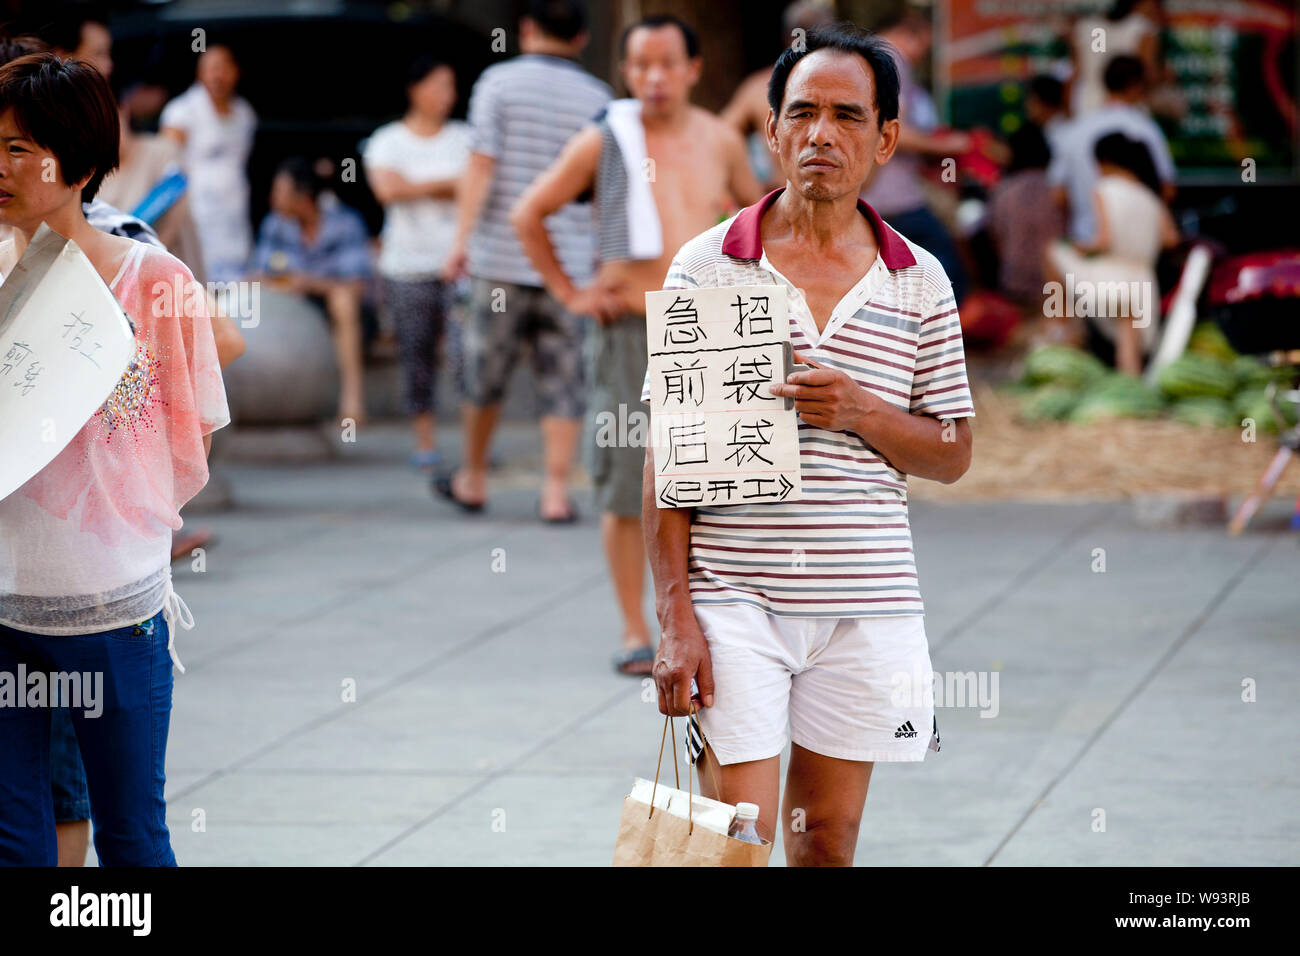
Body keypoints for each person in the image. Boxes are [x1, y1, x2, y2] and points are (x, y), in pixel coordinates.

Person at [643, 22, 974, 866]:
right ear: (772, 128)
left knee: (826, 838)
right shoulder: (712, 264)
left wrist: (861, 410)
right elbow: (669, 456)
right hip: (734, 599)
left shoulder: (919, 279)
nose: (821, 135)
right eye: (803, 113)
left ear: (887, 138)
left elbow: (951, 451)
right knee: (739, 837)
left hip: (867, 602)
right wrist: (675, 614)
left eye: (848, 117)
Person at [0, 52, 230, 866]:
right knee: (13, 838)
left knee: (131, 834)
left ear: (82, 161)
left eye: (22, 148)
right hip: (3, 603)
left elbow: (187, 432)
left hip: (113, 610)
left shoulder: (152, 277)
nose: (2, 166)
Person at [513, 15, 762, 675]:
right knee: (629, 482)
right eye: (641, 65)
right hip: (630, 324)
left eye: (667, 64)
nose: (654, 78)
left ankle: (707, 620)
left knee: (714, 484)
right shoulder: (606, 140)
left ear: (693, 70)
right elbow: (527, 212)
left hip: (710, 325)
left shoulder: (719, 139)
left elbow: (763, 218)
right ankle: (635, 628)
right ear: (626, 72)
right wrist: (572, 294)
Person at [437, 0, 611, 521]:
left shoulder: (497, 82)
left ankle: (472, 478)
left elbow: (482, 165)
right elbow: (605, 188)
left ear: (527, 28)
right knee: (564, 380)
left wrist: (460, 241)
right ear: (581, 39)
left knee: (484, 375)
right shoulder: (599, 97)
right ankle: (556, 493)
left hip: (502, 258)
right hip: (571, 267)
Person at [364, 55, 471, 471]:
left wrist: (417, 186)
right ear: (416, 88)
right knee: (416, 354)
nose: (447, 96)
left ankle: (474, 442)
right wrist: (448, 184)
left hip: (460, 264)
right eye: (439, 85)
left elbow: (477, 190)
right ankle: (425, 441)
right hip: (406, 265)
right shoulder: (387, 140)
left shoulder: (466, 136)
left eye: (451, 87)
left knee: (468, 356)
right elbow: (388, 190)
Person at [859, 6, 972, 305]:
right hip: (893, 197)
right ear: (913, 34)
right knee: (948, 276)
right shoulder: (891, 59)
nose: (923, 53)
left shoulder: (863, 58)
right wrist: (952, 146)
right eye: (925, 43)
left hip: (870, 196)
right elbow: (895, 132)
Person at [251, 157, 373, 424]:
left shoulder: (345, 223)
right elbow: (259, 275)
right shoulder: (275, 225)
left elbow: (356, 284)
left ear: (303, 197)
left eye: (279, 192)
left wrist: (307, 282)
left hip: (344, 313)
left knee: (343, 300)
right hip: (293, 309)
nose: (273, 199)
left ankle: (353, 399)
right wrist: (288, 284)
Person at [1047, 133, 1180, 375]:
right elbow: (1171, 239)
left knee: (1054, 251)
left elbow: (1104, 240)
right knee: (1128, 337)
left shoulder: (1105, 189)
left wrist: (1080, 247)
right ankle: (1133, 387)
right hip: (1142, 279)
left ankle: (1064, 327)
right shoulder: (1150, 196)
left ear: (1104, 162)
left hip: (1111, 276)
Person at [1048, 55, 1176, 247]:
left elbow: (1059, 194)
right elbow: (1167, 190)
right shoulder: (1146, 130)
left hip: (1086, 246)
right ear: (1136, 85)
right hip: (1136, 249)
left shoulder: (1076, 129)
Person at [160, 44, 257, 283]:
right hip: (197, 216)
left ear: (235, 72)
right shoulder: (181, 113)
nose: (218, 76)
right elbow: (165, 168)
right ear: (200, 73)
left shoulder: (245, 114)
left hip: (234, 216)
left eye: (224, 68)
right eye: (211, 69)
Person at [720, 1, 838, 191]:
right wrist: (751, 183)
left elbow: (719, 135)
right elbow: (720, 136)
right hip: (786, 199)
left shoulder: (847, 84)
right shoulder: (758, 88)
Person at [1070, 0, 1162, 117]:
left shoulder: (1084, 27)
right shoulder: (1144, 29)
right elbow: (1148, 74)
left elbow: (1075, 75)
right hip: (1127, 108)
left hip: (1088, 106)